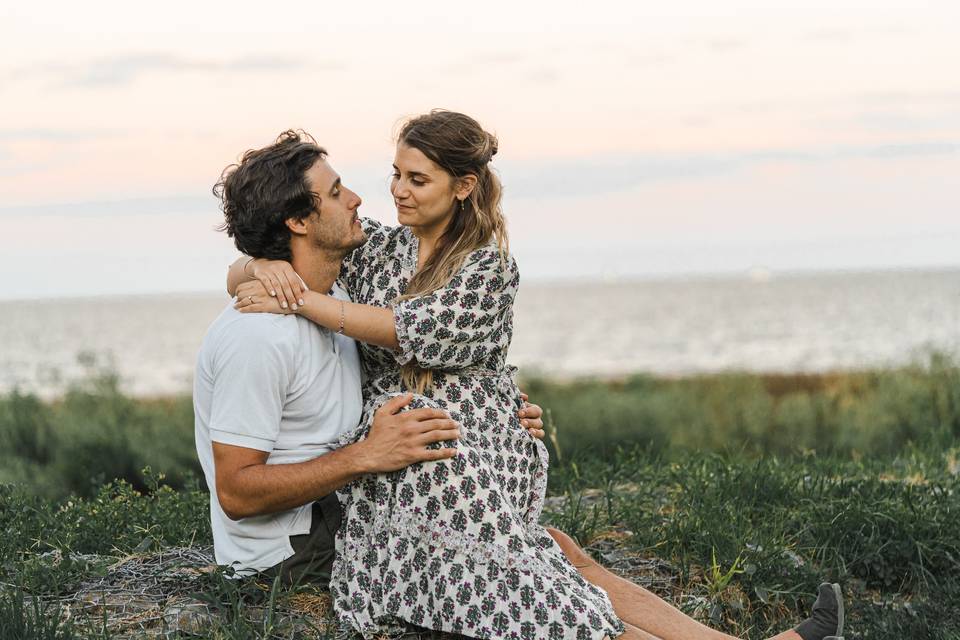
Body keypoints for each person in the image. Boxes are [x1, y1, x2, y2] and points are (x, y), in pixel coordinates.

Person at [226, 117, 845, 640]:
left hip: (467, 456)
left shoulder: (487, 268)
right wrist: (260, 265)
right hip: (417, 460)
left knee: (536, 571)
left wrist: (303, 302)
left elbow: (410, 329)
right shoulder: (380, 249)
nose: (394, 192)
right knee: (552, 560)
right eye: (395, 174)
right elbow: (278, 258)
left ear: (464, 187)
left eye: (417, 179)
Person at [196, 129, 546, 590]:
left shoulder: (343, 285)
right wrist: (365, 457)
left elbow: (411, 332)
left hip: (352, 497)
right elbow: (236, 494)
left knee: (543, 551)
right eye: (338, 192)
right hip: (297, 545)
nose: (364, 197)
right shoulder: (259, 334)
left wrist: (494, 410)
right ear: (299, 222)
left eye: (416, 179)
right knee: (515, 570)